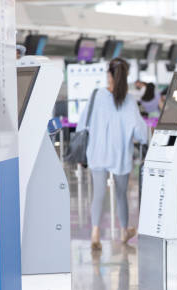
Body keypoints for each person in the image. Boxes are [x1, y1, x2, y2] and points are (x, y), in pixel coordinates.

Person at [76, 58, 147, 250]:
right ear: (126, 76)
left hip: (97, 152)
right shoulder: (130, 100)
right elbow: (140, 131)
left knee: (98, 193)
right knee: (121, 194)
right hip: (120, 154)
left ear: (109, 75)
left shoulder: (96, 95)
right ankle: (124, 231)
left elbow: (83, 124)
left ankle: (95, 232)